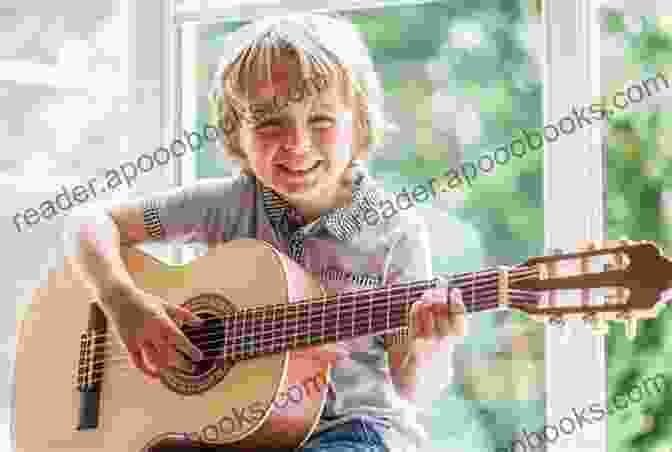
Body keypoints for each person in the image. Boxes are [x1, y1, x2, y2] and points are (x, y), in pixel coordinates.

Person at [65, 12, 468, 452]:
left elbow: (411, 388)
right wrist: (123, 302)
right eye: (269, 122)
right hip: (229, 431)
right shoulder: (225, 205)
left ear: (361, 125)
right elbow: (90, 224)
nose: (296, 143)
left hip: (350, 430)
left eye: (321, 121)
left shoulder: (394, 229)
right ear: (236, 135)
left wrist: (424, 348)